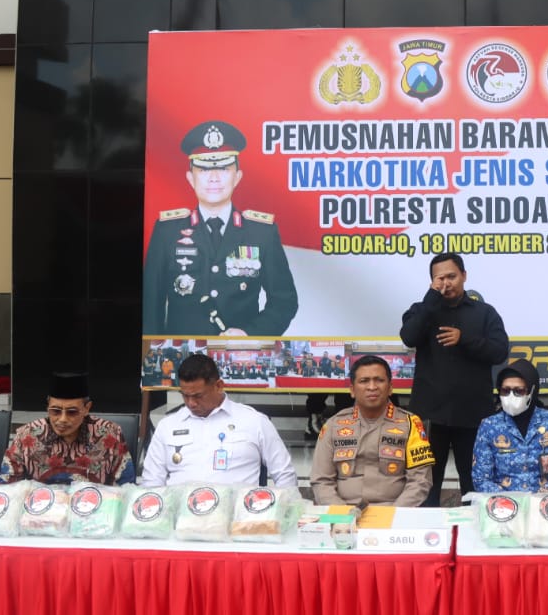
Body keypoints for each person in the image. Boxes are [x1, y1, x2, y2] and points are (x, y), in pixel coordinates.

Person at [143, 121, 297, 336]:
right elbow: (150, 305)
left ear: (238, 177)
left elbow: (284, 301)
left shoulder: (262, 233)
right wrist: (154, 350)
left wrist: (249, 335)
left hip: (239, 353)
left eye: (223, 169)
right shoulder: (167, 231)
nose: (214, 178)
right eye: (204, 169)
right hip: (183, 354)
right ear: (190, 178)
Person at [400, 252, 509, 506]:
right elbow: (408, 337)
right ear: (431, 282)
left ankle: (474, 527)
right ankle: (428, 529)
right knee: (425, 483)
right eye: (439, 279)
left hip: (472, 416)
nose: (446, 283)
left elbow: (500, 351)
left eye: (451, 276)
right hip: (430, 417)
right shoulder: (421, 310)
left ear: (464, 276)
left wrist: (465, 339)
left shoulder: (484, 313)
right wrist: (431, 300)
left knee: (474, 483)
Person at [141, 354, 296, 487]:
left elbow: (285, 475)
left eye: (198, 396)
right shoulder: (168, 426)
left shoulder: (254, 421)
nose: (191, 403)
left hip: (237, 511)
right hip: (181, 511)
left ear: (219, 386)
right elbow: (151, 483)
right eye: (185, 396)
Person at [310, 355, 433, 506]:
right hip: (343, 512)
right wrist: (343, 514)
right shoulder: (334, 425)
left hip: (393, 511)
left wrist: (393, 514)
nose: (372, 387)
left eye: (379, 380)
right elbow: (321, 480)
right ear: (352, 390)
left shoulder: (411, 424)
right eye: (364, 381)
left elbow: (420, 481)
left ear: (390, 388)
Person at [0, 372, 134, 485]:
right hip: (40, 509)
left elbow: (126, 487)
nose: (62, 419)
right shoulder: (27, 435)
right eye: (55, 411)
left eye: (72, 412)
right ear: (47, 407)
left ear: (87, 408)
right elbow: (5, 484)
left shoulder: (109, 434)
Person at [472, 359, 548, 493]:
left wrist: (542, 494)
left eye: (519, 391)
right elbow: (480, 479)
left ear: (532, 391)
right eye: (505, 390)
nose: (511, 396)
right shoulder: (489, 426)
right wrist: (510, 500)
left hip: (547, 501)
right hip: (502, 502)